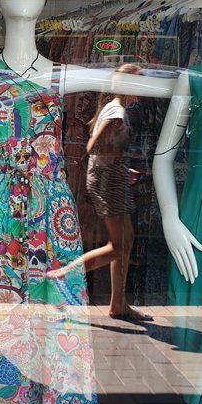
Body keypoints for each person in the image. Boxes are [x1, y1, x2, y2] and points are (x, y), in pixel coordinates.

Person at [49, 62, 151, 323]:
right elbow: (95, 145)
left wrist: (117, 163)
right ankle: (65, 276)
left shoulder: (113, 108)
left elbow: (98, 147)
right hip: (108, 181)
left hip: (111, 178)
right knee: (118, 245)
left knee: (124, 241)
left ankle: (118, 303)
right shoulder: (116, 112)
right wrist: (114, 160)